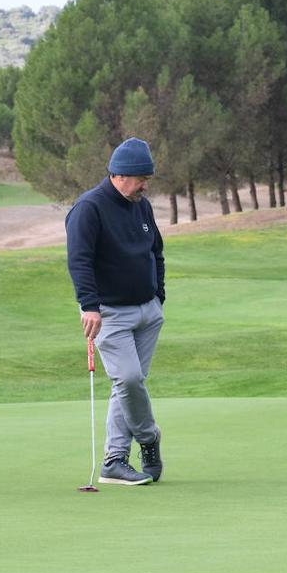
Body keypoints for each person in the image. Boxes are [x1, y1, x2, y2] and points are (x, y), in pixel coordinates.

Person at [65, 137, 166, 486]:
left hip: (147, 311)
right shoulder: (88, 208)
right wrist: (89, 305)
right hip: (110, 313)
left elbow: (156, 252)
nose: (145, 185)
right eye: (141, 178)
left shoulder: (142, 206)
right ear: (120, 175)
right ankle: (150, 439)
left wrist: (158, 296)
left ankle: (115, 460)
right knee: (128, 380)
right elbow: (79, 261)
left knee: (127, 387)